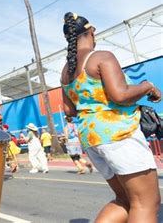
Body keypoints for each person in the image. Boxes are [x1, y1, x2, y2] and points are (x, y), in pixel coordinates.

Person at [61, 12, 161, 222]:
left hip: (91, 138)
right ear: (90, 31)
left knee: (125, 199)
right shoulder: (101, 57)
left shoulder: (66, 71)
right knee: (146, 202)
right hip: (118, 135)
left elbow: (69, 111)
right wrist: (146, 86)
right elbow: (120, 95)